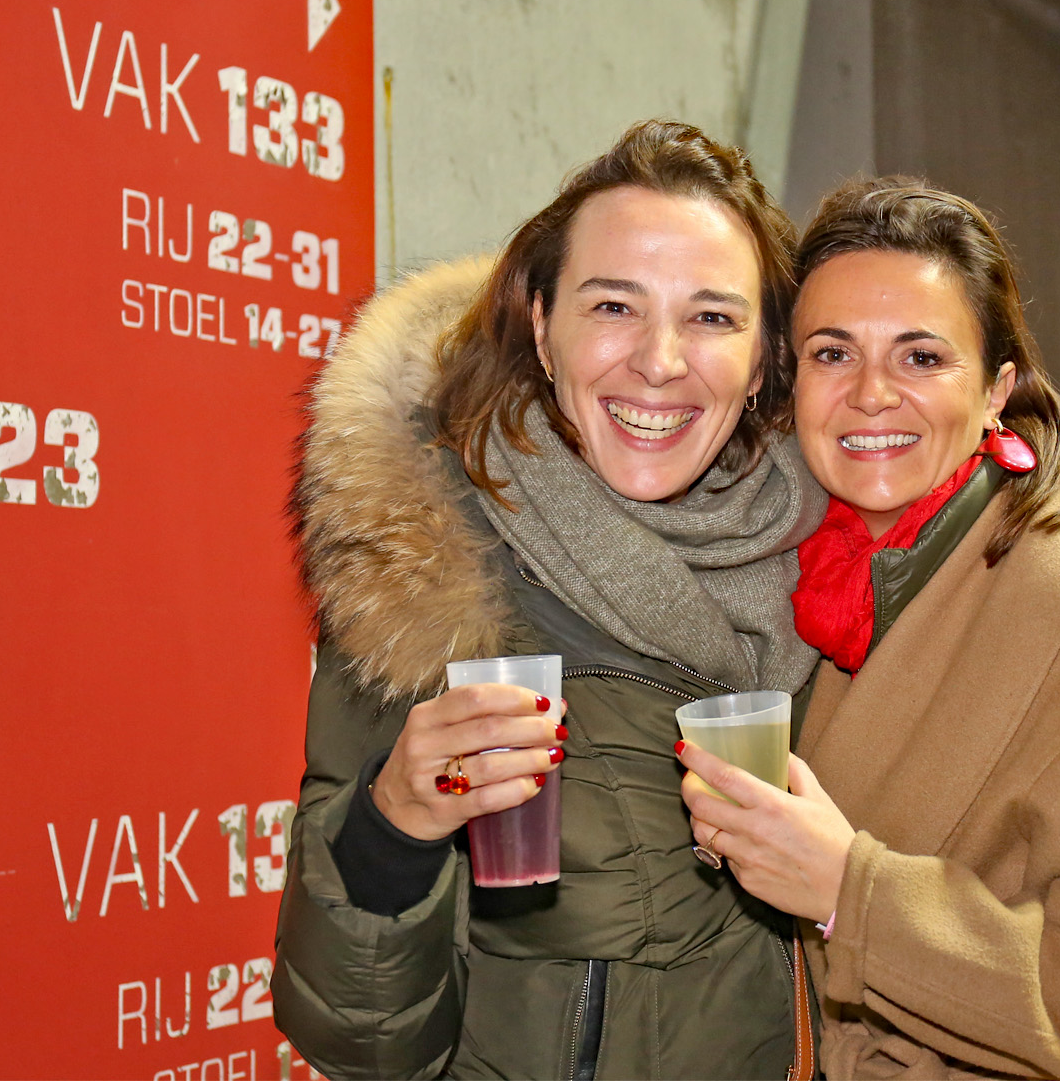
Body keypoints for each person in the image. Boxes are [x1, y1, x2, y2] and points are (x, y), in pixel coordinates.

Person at [272, 120, 831, 1080]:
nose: (659, 361)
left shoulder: (837, 555)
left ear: (765, 357)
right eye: (614, 305)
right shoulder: (436, 572)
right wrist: (393, 825)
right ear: (542, 325)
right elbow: (361, 1046)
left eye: (711, 317)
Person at [677, 179, 1060, 1079]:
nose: (871, 394)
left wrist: (851, 895)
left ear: (996, 391)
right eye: (833, 353)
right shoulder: (799, 585)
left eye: (921, 357)